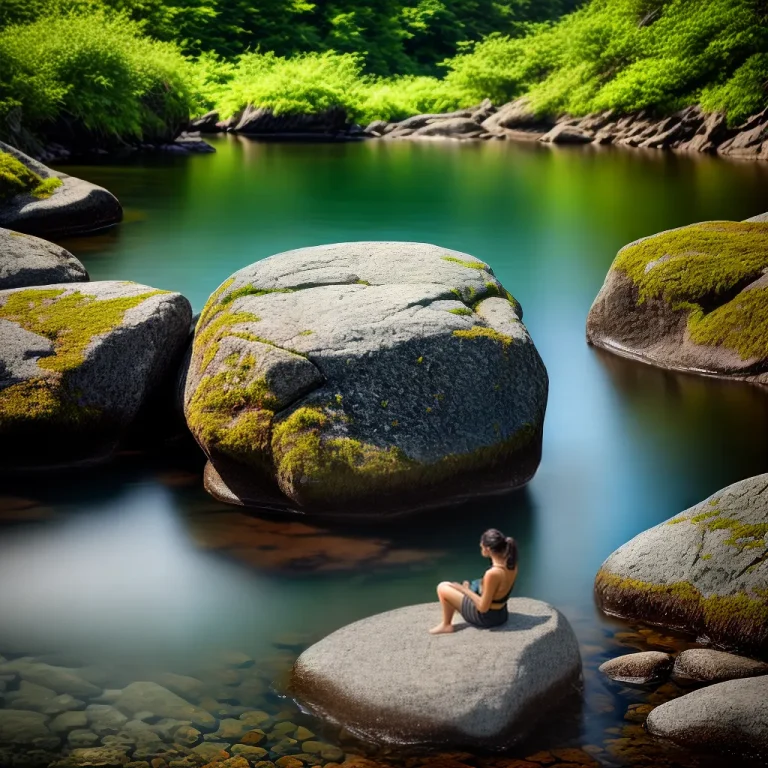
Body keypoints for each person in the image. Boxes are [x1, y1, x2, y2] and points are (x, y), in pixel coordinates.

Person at [428, 528, 518, 635]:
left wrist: (463, 589)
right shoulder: (512, 565)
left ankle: (446, 625)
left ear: (488, 549)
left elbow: (483, 608)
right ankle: (456, 605)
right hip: (501, 614)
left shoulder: (493, 573)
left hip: (487, 618)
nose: (480, 546)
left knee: (443, 587)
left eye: (481, 546)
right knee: (468, 586)